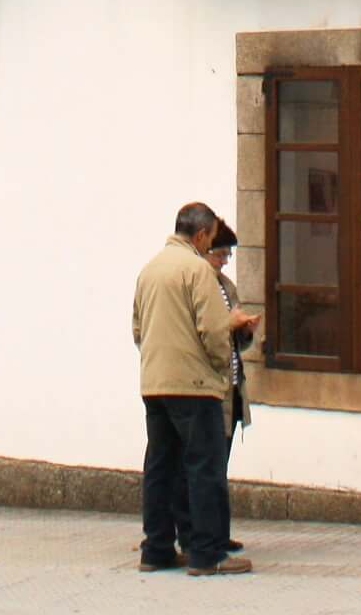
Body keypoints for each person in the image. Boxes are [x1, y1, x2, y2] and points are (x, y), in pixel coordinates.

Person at [132, 200, 257, 576]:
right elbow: (215, 331)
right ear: (201, 234)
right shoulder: (196, 271)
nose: (211, 248)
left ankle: (156, 549)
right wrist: (221, 372)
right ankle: (206, 554)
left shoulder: (149, 269)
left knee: (160, 467)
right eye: (212, 240)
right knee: (204, 467)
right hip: (195, 384)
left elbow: (137, 329)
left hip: (155, 382)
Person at [207, 221, 251, 556]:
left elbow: (237, 342)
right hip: (211, 390)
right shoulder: (199, 286)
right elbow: (205, 335)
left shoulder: (227, 287)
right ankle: (206, 534)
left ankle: (220, 532)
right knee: (207, 467)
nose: (224, 260)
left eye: (228, 254)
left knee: (220, 465)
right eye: (220, 253)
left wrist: (245, 330)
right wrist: (229, 325)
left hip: (233, 388)